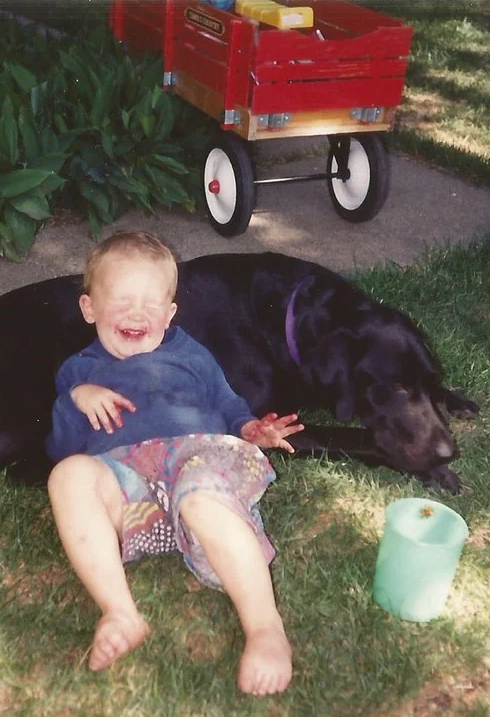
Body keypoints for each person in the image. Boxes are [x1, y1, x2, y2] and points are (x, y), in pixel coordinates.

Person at [45, 231, 302, 696]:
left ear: (169, 314)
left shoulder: (190, 354)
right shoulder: (78, 371)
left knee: (202, 498)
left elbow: (229, 404)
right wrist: (76, 400)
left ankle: (266, 628)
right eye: (122, 301)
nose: (137, 313)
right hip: (129, 488)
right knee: (67, 477)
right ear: (89, 308)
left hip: (195, 457)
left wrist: (251, 429)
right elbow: (61, 448)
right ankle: (120, 612)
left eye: (150, 304)